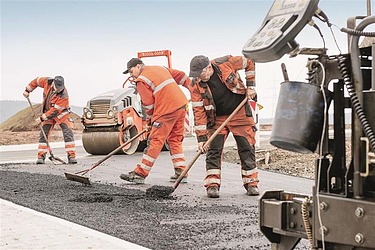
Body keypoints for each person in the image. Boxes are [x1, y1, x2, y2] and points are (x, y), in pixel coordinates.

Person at [188, 55, 259, 198]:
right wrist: (202, 139)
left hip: (239, 112)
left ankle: (251, 183)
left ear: (208, 68)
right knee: (213, 149)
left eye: (201, 74)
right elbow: (199, 112)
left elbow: (250, 61)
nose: (199, 78)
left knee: (247, 147)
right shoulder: (195, 84)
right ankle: (212, 184)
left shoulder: (225, 63)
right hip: (217, 118)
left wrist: (251, 86)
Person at [119, 58, 191, 184]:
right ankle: (181, 172)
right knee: (174, 139)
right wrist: (193, 88)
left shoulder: (141, 80)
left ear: (139, 66)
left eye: (131, 71)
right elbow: (181, 76)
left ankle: (140, 174)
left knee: (155, 141)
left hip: (166, 110)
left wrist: (150, 123)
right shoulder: (160, 68)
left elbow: (149, 105)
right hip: (181, 106)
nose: (131, 75)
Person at [23, 76, 77, 164]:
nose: (58, 90)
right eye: (57, 88)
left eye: (60, 88)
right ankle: (41, 157)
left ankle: (71, 156)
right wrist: (27, 90)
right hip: (48, 112)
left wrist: (41, 118)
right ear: (53, 84)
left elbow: (55, 111)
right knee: (44, 133)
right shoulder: (46, 81)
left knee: (68, 132)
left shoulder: (64, 95)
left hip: (61, 114)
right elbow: (36, 81)